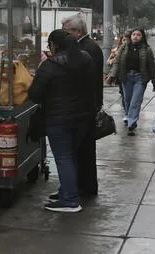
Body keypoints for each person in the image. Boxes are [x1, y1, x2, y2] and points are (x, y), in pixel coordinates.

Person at [28, 29, 94, 212]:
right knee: (71, 155)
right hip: (83, 117)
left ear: (55, 45)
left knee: (64, 157)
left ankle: (70, 200)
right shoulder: (86, 58)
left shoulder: (50, 65)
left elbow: (35, 94)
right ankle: (67, 190)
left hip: (59, 119)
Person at [61, 14, 103, 197]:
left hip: (85, 105)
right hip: (86, 103)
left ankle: (84, 187)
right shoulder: (84, 46)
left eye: (66, 31)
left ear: (77, 32)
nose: (64, 35)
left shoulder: (87, 49)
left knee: (83, 149)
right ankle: (84, 185)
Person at [107, 29, 155, 136]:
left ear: (142, 37)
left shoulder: (147, 50)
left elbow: (152, 66)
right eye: (134, 34)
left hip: (140, 78)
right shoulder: (123, 48)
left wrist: (154, 81)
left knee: (136, 101)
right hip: (126, 77)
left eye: (138, 35)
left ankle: (131, 123)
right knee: (128, 100)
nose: (135, 36)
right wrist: (112, 75)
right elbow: (117, 63)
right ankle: (129, 116)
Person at [107, 34, 127, 122]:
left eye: (127, 40)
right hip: (119, 75)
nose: (125, 42)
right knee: (123, 94)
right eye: (124, 40)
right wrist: (113, 60)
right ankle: (126, 110)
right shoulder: (116, 50)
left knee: (126, 95)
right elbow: (108, 62)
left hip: (129, 75)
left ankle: (127, 111)